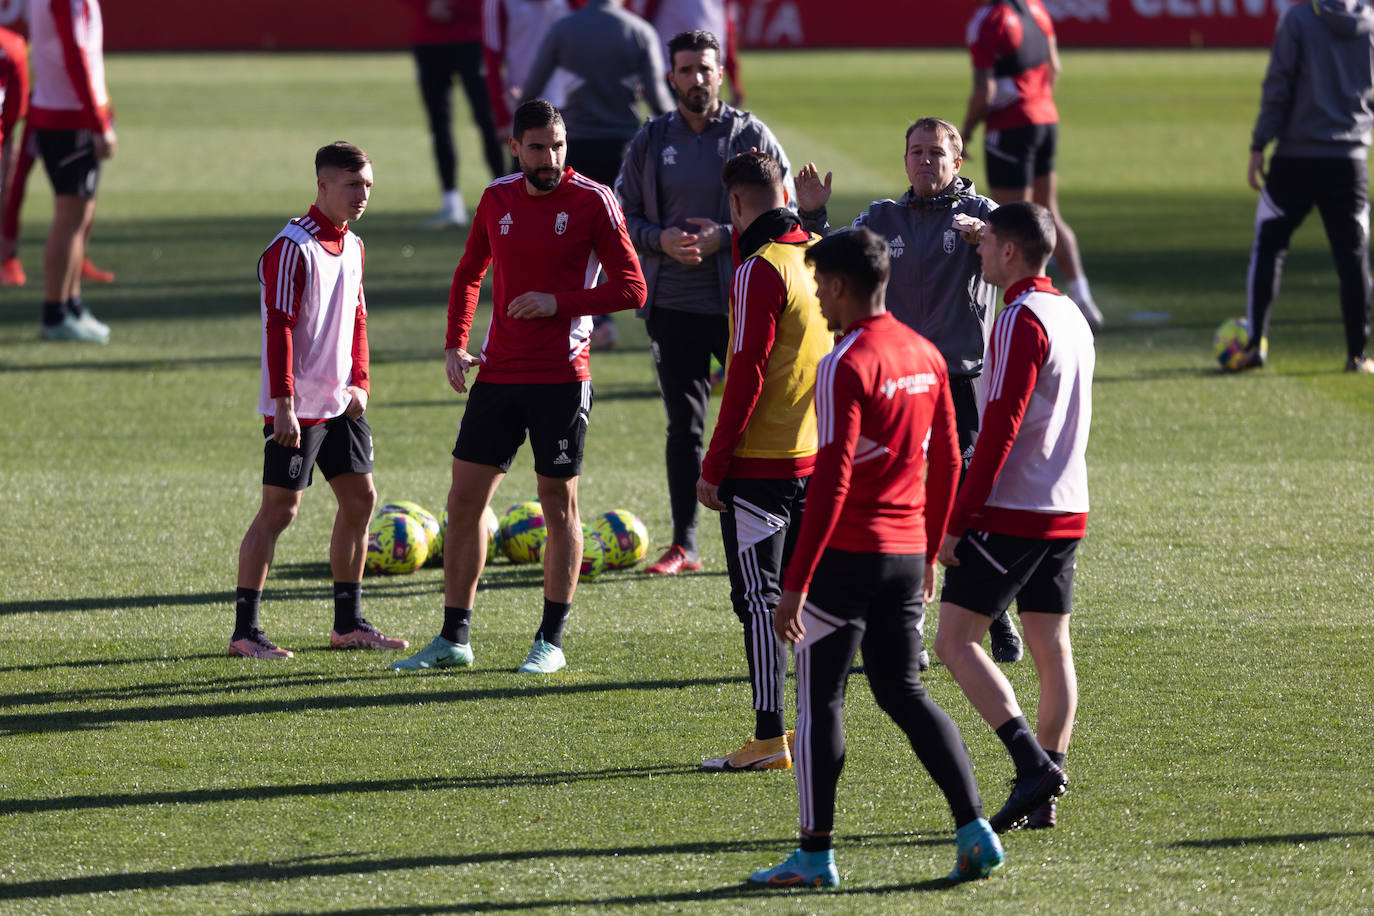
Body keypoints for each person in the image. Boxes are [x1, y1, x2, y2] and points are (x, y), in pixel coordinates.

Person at [747, 228, 1002, 889]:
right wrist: (930, 553)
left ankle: (814, 856)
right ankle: (974, 829)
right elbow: (947, 459)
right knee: (903, 691)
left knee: (819, 702)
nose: (817, 300)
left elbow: (831, 480)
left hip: (846, 558)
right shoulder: (925, 352)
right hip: (904, 554)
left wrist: (796, 583)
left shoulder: (845, 363)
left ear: (836, 285)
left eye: (818, 286)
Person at [391, 99, 647, 675]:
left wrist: (561, 303)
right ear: (516, 148)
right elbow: (468, 272)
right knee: (463, 503)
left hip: (562, 377)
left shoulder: (593, 201)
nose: (551, 157)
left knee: (559, 505)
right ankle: (454, 638)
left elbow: (633, 289)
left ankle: (549, 641)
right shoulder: (497, 198)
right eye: (538, 148)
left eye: (558, 146)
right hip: (499, 373)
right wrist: (456, 344)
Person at [795, 117, 1024, 667]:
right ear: (904, 161)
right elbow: (834, 264)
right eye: (916, 152)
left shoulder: (984, 217)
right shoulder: (880, 218)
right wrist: (814, 215)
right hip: (894, 383)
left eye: (936, 153)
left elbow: (1021, 267)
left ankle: (994, 614)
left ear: (957, 162)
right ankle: (907, 630)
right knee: (895, 505)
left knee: (965, 505)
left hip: (959, 381)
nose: (926, 161)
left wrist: (988, 240)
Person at [932, 200, 1094, 833]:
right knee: (1052, 648)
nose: (978, 250)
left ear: (1009, 251)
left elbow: (999, 426)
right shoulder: (1070, 312)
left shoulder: (1019, 319)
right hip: (1066, 503)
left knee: (953, 639)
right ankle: (1043, 791)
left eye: (986, 242)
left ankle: (1033, 767)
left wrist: (957, 518)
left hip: (1016, 508)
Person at [616, 28, 793, 576]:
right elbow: (624, 214)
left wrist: (724, 235)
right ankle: (685, 544)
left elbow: (782, 208)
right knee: (683, 427)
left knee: (762, 414)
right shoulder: (649, 140)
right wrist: (659, 239)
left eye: (705, 69)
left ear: (721, 73)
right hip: (672, 305)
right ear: (670, 78)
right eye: (686, 70)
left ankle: (774, 532)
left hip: (741, 305)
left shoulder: (750, 133)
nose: (696, 79)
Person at [230, 142, 410, 660]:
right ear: (323, 185)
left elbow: (358, 319)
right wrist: (283, 402)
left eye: (369, 186)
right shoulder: (292, 246)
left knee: (361, 500)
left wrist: (362, 383)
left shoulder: (353, 246)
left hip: (342, 403)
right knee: (280, 510)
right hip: (299, 407)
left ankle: (348, 624)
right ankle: (245, 632)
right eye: (353, 185)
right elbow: (279, 328)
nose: (363, 195)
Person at [696, 151, 830, 772]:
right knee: (802, 596)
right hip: (814, 458)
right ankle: (812, 723)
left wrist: (714, 464)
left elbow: (744, 375)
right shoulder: (815, 253)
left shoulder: (758, 271)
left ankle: (770, 735)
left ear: (734, 203)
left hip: (761, 466)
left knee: (758, 599)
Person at [523, 0, 672, 351]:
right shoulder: (639, 31)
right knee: (624, 231)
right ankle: (644, 319)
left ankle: (592, 320)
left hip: (576, 145)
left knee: (577, 236)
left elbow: (532, 88)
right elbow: (658, 98)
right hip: (626, 148)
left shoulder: (564, 30)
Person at [1242, 0, 1374, 373]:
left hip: (1295, 159)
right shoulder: (1371, 22)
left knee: (1269, 247)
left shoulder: (1299, 18)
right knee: (1353, 258)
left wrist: (1258, 144)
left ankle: (1255, 345)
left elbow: (1278, 85)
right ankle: (1357, 354)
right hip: (1349, 162)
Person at [960, 0, 1103, 330]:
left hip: (1011, 125)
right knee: (1048, 210)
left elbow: (985, 90)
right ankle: (1083, 298)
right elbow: (1054, 66)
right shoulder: (1036, 9)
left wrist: (964, 133)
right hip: (1045, 119)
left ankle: (1032, 306)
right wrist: (1038, 102)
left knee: (1012, 222)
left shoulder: (989, 20)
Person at [29, 0, 115, 343]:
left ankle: (72, 304)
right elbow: (75, 52)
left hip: (67, 112)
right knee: (68, 219)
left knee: (78, 217)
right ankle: (56, 312)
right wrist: (97, 121)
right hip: (70, 117)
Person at [406, 0, 506, 228]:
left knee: (487, 120)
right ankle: (451, 202)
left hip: (471, 39)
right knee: (439, 125)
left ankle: (505, 197)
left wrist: (457, 9)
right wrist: (426, 6)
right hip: (430, 41)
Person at [481, 0, 571, 141]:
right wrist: (502, 117)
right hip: (524, 107)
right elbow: (492, 61)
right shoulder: (498, 3)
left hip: (571, 105)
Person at [628, 0, 747, 105]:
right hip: (670, 67)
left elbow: (727, 28)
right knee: (670, 124)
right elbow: (647, 19)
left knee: (704, 124)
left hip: (708, 68)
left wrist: (734, 80)